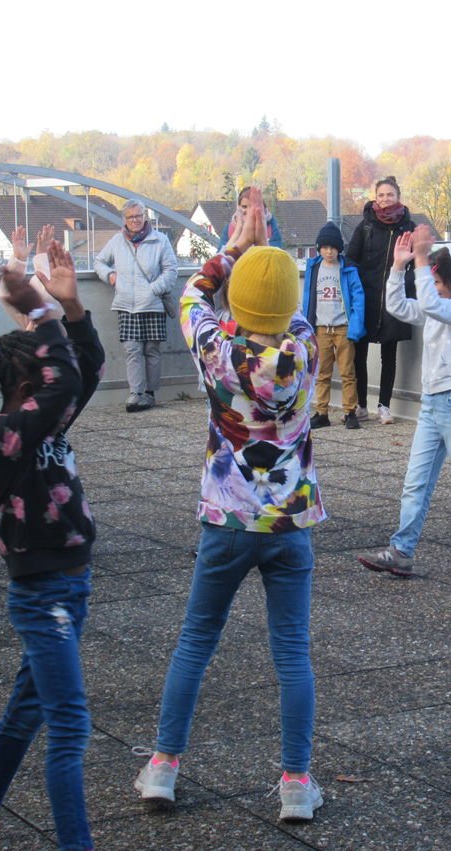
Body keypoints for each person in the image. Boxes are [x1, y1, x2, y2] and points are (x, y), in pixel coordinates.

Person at [135, 189, 325, 823]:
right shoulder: (303, 349)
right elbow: (284, 306)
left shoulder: (215, 349)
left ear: (235, 304)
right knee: (292, 654)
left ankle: (163, 767)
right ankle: (296, 782)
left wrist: (234, 248)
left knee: (195, 642)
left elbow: (192, 295)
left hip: (225, 518)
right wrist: (267, 247)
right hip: (289, 523)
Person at [0, 240, 104, 851]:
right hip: (46, 595)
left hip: (68, 583)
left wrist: (71, 310)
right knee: (69, 726)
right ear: (28, 383)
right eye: (47, 371)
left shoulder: (40, 419)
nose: (60, 381)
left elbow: (80, 368)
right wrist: (41, 313)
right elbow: (62, 382)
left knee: (28, 705)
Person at [357, 226, 451, 577]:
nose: (434, 286)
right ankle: (401, 549)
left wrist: (423, 260)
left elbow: (428, 302)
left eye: (440, 281)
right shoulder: (436, 306)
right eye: (434, 282)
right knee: (416, 482)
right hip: (432, 406)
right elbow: (396, 305)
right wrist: (399, 266)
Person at [343, 176, 417, 424]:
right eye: (381, 195)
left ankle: (384, 406)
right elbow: (351, 259)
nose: (385, 200)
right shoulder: (364, 226)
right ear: (376, 197)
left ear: (398, 197)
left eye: (390, 195)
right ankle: (362, 405)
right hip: (367, 298)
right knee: (359, 353)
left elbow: (418, 265)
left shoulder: (409, 227)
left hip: (395, 299)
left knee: (389, 354)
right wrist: (353, 292)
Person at [94, 199, 178, 413]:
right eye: (130, 217)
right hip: (126, 304)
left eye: (138, 215)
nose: (135, 220)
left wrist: (154, 289)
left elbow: (171, 271)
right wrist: (110, 275)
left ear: (145, 217)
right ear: (124, 219)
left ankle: (150, 394)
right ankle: (135, 393)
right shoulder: (117, 241)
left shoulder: (160, 241)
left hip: (152, 303)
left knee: (151, 350)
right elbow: (99, 262)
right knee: (132, 350)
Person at [303, 221, 365, 431]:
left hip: (343, 328)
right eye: (324, 247)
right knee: (322, 373)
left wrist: (355, 328)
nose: (329, 251)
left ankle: (350, 412)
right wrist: (307, 325)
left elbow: (358, 299)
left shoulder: (348, 269)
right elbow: (308, 297)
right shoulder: (314, 268)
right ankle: (322, 412)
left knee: (348, 373)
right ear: (319, 248)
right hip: (321, 328)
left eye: (333, 247)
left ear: (339, 248)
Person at [216, 185, 284, 251]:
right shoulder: (230, 228)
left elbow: (276, 259)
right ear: (239, 207)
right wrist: (236, 234)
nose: (248, 211)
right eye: (244, 207)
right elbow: (219, 260)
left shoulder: (271, 227)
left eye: (252, 206)